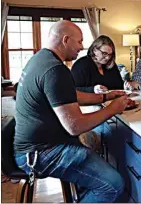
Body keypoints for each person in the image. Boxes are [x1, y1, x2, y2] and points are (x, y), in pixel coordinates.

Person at [14, 20, 127, 202]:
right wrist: (113, 109)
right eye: (79, 41)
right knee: (113, 184)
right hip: (40, 154)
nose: (82, 47)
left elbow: (69, 95)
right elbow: (75, 126)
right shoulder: (56, 70)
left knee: (92, 155)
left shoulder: (40, 59)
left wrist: (106, 97)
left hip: (33, 146)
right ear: (65, 39)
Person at [71, 35, 123, 147]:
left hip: (108, 104)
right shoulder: (82, 65)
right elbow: (72, 91)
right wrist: (93, 89)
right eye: (104, 53)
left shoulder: (111, 66)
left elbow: (119, 85)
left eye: (110, 54)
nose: (107, 58)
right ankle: (95, 140)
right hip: (87, 107)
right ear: (94, 50)